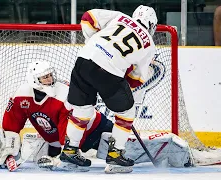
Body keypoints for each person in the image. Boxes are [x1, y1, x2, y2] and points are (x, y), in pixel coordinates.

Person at [59, 5, 158, 173]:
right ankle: (115, 155)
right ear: (152, 24)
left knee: (82, 109)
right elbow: (137, 78)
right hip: (108, 72)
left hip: (83, 60)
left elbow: (88, 18)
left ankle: (70, 151)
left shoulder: (120, 17)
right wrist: (123, 71)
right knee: (126, 113)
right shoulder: (149, 43)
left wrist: (92, 43)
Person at [0, 60, 111, 172]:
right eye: (45, 77)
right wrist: (9, 149)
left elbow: (69, 125)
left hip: (95, 128)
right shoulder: (21, 95)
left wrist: (67, 152)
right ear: (34, 80)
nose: (50, 79)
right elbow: (11, 123)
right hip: (56, 141)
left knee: (125, 151)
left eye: (50, 75)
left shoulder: (63, 94)